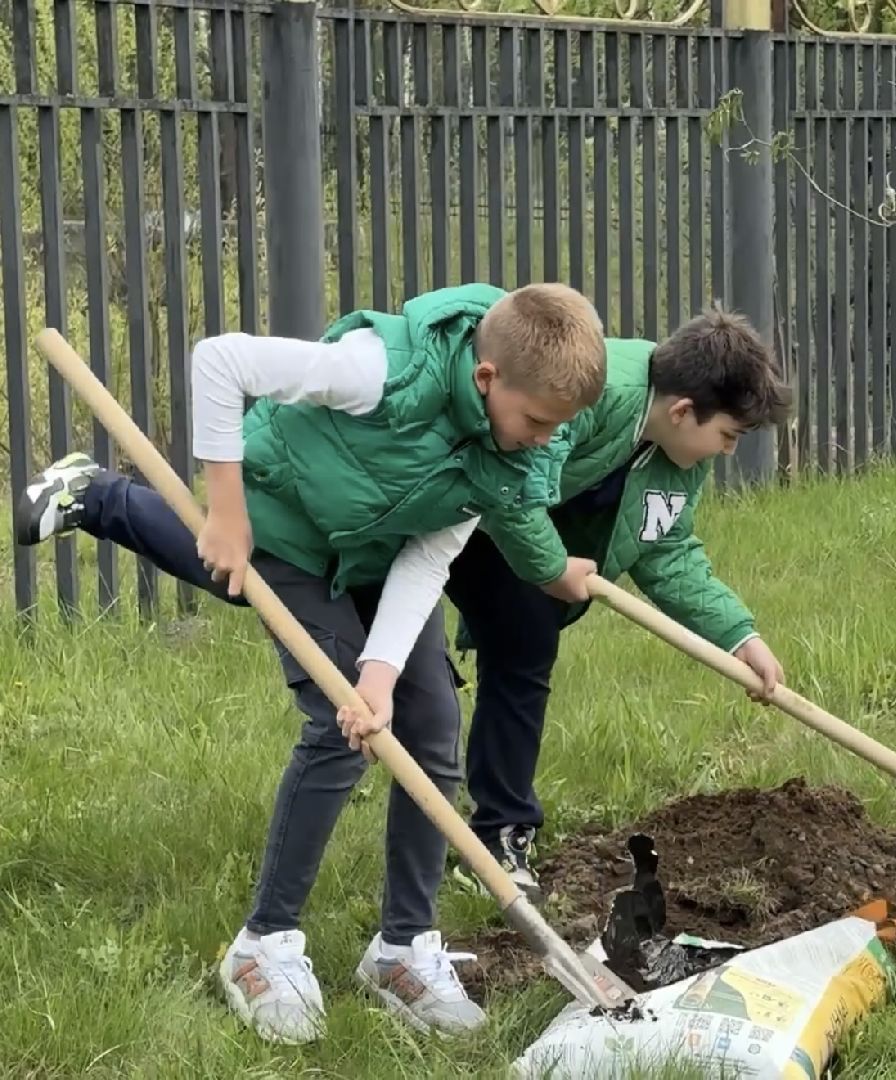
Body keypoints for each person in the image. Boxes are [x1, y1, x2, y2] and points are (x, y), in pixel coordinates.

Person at [15, 282, 607, 1044]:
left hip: (376, 551)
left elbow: (431, 555)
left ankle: (403, 948)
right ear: (487, 378)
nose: (545, 439)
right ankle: (263, 944)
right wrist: (229, 514)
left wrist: (380, 676)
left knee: (429, 726)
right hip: (285, 521)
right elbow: (221, 361)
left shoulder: (516, 451)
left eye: (559, 426)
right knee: (334, 724)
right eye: (537, 421)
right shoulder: (380, 370)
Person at [447, 306, 793, 898]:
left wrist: (741, 637)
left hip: (527, 534)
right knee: (473, 659)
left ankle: (497, 832)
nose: (728, 452)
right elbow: (518, 481)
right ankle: (477, 828)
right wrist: (552, 568)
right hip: (467, 505)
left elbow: (666, 550)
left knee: (524, 642)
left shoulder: (680, 457)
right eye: (728, 436)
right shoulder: (592, 392)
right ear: (682, 411)